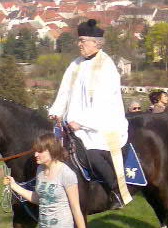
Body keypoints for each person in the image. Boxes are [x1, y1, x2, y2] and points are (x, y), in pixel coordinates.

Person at [48, 19, 129, 208]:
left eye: (82, 40)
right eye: (79, 40)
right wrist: (56, 112)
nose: (79, 44)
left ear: (95, 42)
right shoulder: (76, 64)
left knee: (91, 153)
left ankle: (116, 191)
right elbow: (64, 92)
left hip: (101, 124)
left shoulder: (107, 66)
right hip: (72, 123)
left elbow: (104, 103)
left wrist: (82, 122)